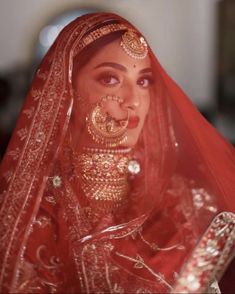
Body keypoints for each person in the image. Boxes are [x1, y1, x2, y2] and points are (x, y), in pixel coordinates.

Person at [0, 12, 234, 293]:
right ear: (68, 91)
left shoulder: (184, 204)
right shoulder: (31, 212)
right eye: (110, 79)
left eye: (144, 81)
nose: (133, 100)